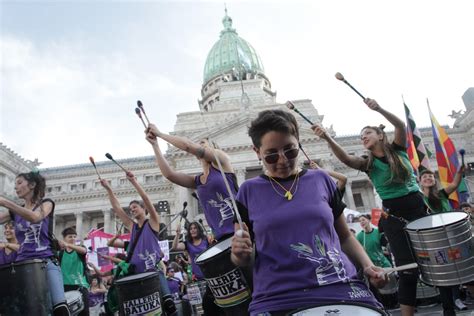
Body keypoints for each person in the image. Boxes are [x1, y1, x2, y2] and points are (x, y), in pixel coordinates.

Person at [231, 109, 385, 315]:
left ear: (299, 143)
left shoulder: (321, 179)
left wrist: (368, 266)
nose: (283, 160)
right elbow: (243, 258)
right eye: (271, 155)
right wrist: (239, 255)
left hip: (338, 283)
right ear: (256, 151)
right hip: (277, 295)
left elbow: (345, 236)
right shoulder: (247, 192)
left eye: (290, 151)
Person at [313, 98, 426, 316]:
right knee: (408, 271)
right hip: (394, 217)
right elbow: (346, 159)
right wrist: (327, 137)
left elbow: (401, 126)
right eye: (361, 136)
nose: (363, 137)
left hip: (419, 209)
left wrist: (380, 108)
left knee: (439, 259)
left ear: (380, 135)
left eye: (367, 133)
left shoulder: (398, 148)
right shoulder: (367, 164)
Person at [146, 123, 238, 315]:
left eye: (204, 143)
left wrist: (161, 133)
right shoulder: (197, 181)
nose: (200, 146)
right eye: (200, 144)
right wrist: (155, 144)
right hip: (220, 242)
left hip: (239, 234)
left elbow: (188, 146)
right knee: (214, 304)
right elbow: (170, 174)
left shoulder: (222, 161)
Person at [100, 170, 176, 315]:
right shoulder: (132, 226)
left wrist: (134, 181)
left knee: (168, 304)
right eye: (130, 208)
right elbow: (117, 208)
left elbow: (146, 199)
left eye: (135, 206)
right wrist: (109, 189)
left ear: (144, 209)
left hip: (153, 272)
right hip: (135, 276)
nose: (132, 209)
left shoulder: (153, 223)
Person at [0, 171, 69, 315]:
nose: (16, 188)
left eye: (19, 183)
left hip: (46, 261)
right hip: (22, 263)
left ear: (31, 185)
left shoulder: (46, 204)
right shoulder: (14, 212)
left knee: (60, 307)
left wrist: (6, 202)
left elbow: (35, 217)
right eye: (15, 184)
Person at [419, 168, 467, 314]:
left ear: (434, 180)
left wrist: (459, 172)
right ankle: (449, 310)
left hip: (450, 238)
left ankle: (459, 298)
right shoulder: (418, 199)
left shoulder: (441, 194)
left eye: (431, 176)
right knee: (443, 279)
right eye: (425, 176)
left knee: (462, 271)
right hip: (433, 243)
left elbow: (454, 185)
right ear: (420, 181)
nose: (428, 178)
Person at [59, 226, 90, 316]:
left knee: (84, 313)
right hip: (65, 287)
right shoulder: (60, 253)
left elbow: (84, 251)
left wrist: (68, 245)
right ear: (64, 238)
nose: (73, 238)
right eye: (70, 236)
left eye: (74, 236)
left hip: (80, 286)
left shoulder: (79, 249)